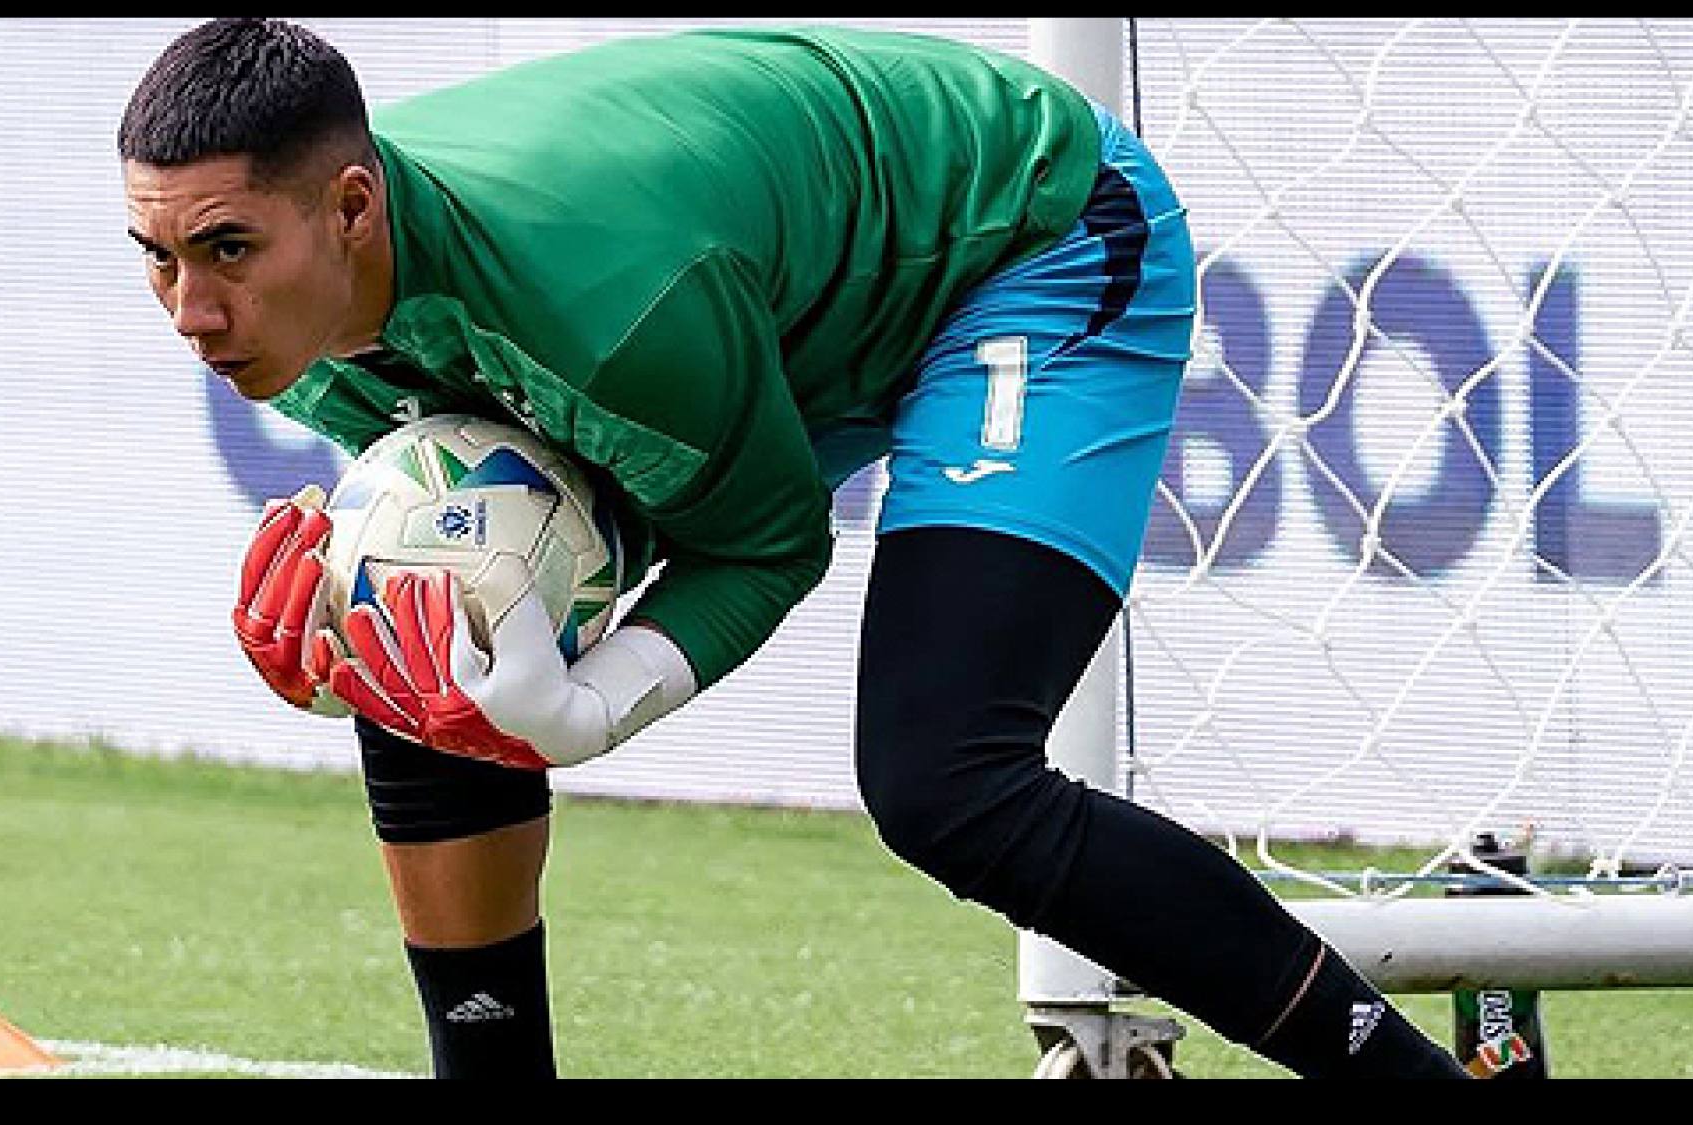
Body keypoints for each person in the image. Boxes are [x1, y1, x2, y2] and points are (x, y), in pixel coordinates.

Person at [118, 17, 1472, 1079]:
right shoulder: (299, 314)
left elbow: (766, 546)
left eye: (226, 250)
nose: (190, 310)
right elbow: (467, 569)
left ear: (353, 209)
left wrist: (594, 709)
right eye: (159, 256)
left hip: (1025, 236)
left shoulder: (605, 306)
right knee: (429, 619)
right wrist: (361, 631)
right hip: (777, 308)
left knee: (947, 780)